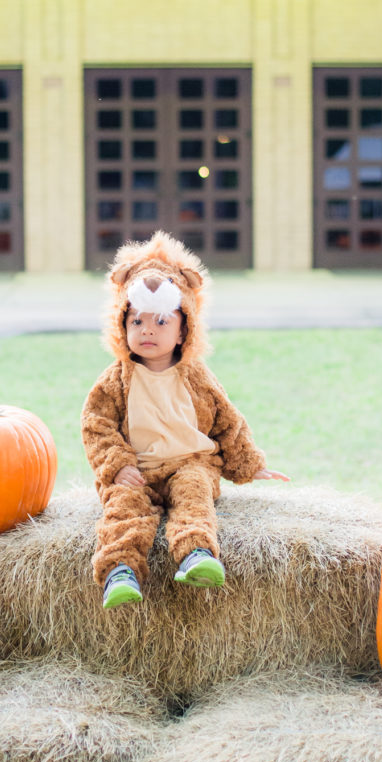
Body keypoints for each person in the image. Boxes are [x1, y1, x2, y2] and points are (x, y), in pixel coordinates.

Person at [81, 231, 289, 610]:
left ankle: (195, 553)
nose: (147, 330)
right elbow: (96, 425)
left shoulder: (196, 376)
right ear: (122, 326)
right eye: (137, 321)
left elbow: (228, 421)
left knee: (193, 494)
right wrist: (117, 466)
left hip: (189, 463)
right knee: (124, 507)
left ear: (183, 330)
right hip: (138, 469)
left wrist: (249, 463)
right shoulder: (116, 379)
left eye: (161, 321)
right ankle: (120, 570)